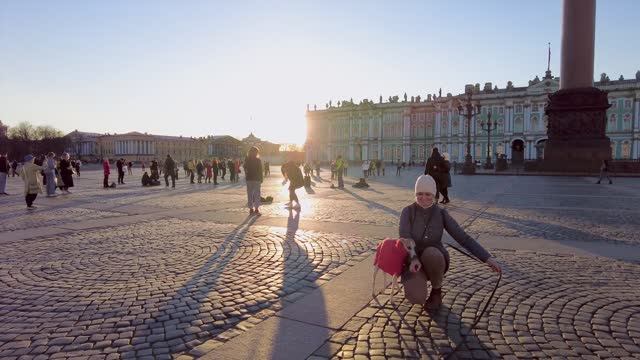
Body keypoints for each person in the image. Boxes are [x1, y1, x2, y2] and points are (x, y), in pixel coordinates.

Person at [400, 175, 501, 310]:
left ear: (434, 194)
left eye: (428, 194)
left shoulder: (441, 213)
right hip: (413, 261)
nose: (423, 198)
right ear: (415, 193)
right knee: (416, 297)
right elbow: (406, 238)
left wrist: (487, 258)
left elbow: (463, 238)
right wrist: (413, 258)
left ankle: (436, 291)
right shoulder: (408, 211)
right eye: (419, 194)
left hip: (435, 259)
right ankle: (419, 281)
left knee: (432, 253)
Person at [243, 146, 263, 215]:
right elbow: (260, 170)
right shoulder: (258, 160)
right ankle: (256, 209)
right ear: (256, 152)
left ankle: (251, 209)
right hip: (256, 179)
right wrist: (261, 179)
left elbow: (245, 168)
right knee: (257, 194)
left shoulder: (247, 160)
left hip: (249, 179)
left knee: (250, 194)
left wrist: (246, 175)